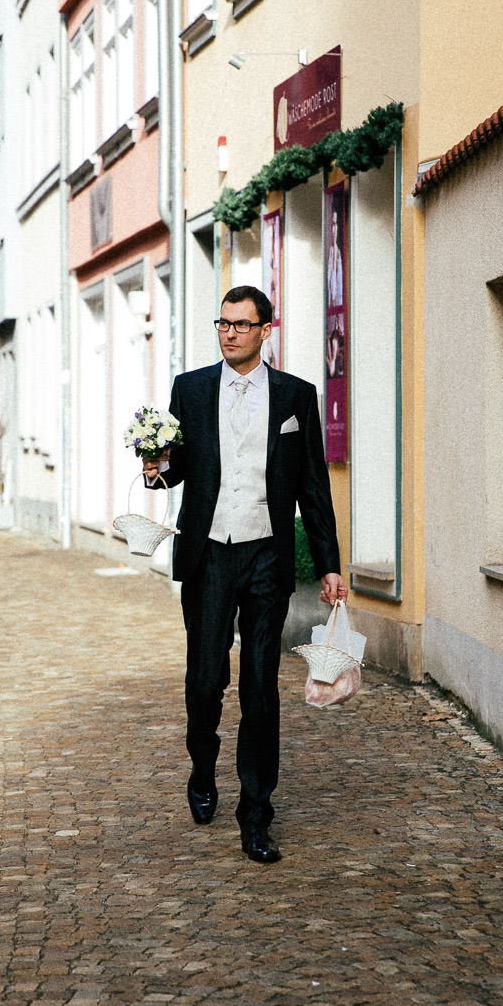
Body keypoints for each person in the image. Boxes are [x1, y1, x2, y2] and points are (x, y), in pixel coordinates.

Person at [142, 285, 347, 864]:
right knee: (206, 681)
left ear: (264, 330)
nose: (229, 332)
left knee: (260, 688)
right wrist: (155, 466)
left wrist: (329, 563)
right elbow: (173, 472)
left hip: (266, 556)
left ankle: (256, 814)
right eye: (222, 323)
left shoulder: (295, 396)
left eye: (240, 324)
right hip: (208, 553)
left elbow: (313, 485)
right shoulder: (189, 389)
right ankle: (202, 766)